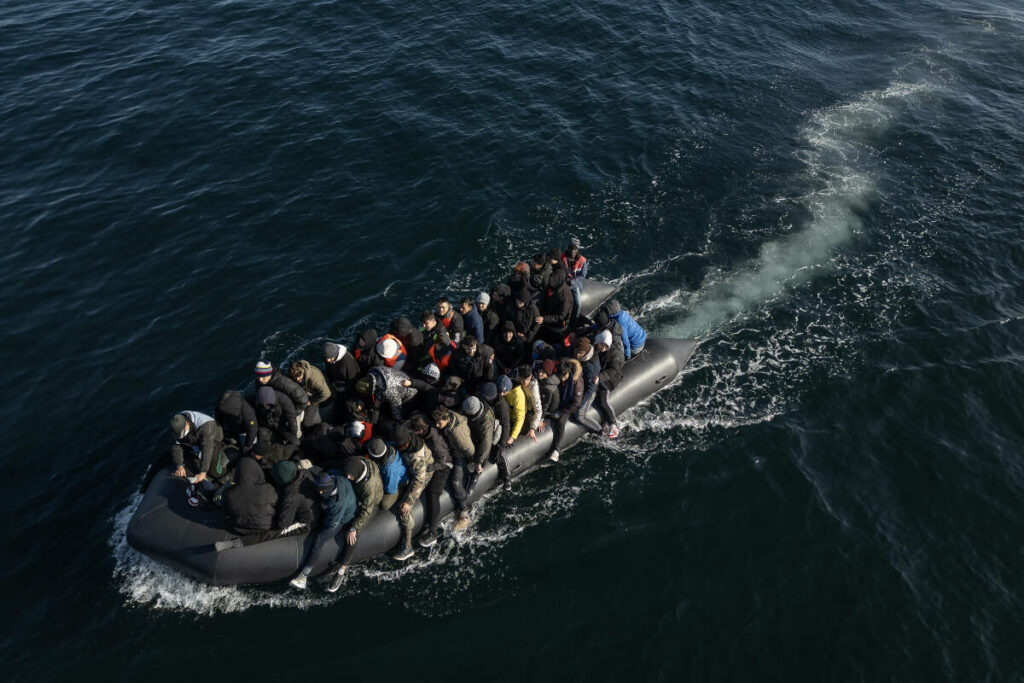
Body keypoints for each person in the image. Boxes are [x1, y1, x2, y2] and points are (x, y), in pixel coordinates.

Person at [288, 465, 360, 592]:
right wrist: (310, 467)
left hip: (344, 518)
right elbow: (324, 473)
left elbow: (330, 524)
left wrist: (320, 517)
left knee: (319, 538)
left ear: (323, 491)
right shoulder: (336, 478)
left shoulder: (336, 503)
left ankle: (304, 575)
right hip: (347, 502)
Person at [219, 457, 284, 547]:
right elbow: (278, 505)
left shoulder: (228, 492)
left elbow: (224, 510)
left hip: (238, 528)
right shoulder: (267, 489)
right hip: (264, 527)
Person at [390, 425, 433, 560]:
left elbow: (419, 481)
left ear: (406, 443)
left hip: (422, 475)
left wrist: (409, 502)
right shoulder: (405, 435)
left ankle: (407, 546)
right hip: (410, 470)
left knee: (403, 508)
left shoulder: (417, 457)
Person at [407, 413, 450, 547]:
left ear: (421, 430)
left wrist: (426, 468)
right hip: (431, 460)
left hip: (444, 465)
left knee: (433, 493)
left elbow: (443, 462)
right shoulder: (425, 433)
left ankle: (432, 533)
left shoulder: (435, 440)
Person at [432, 406, 475, 531]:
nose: (437, 425)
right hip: (452, 449)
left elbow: (470, 450)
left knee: (456, 482)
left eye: (439, 423)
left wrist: (470, 466)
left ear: (447, 419)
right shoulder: (449, 417)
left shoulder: (457, 432)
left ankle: (464, 513)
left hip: (460, 455)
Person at [169, 410, 228, 485]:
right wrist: (179, 466)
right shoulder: (177, 423)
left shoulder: (206, 427)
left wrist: (203, 473)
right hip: (195, 441)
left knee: (214, 472)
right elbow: (176, 445)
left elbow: (207, 451)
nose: (180, 437)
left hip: (213, 440)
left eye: (182, 434)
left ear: (187, 424)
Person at [546, 359, 585, 461]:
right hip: (559, 400)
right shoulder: (559, 375)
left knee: (560, 423)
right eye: (561, 376)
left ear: (569, 372)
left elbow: (575, 403)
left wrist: (561, 412)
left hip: (568, 405)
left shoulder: (577, 384)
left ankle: (556, 449)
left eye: (564, 376)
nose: (562, 379)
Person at [256, 361, 310, 432]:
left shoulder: (283, 383)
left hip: (291, 412)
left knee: (295, 432)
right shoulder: (261, 382)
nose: (260, 379)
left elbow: (303, 399)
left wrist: (292, 414)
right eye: (258, 376)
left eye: (263, 376)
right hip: (277, 411)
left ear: (269, 373)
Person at [270, 460, 319, 532]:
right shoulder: (306, 472)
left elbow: (283, 523)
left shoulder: (290, 497)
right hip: (315, 507)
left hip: (309, 521)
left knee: (279, 531)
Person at [594, 329, 624, 438]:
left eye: (605, 346)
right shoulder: (597, 349)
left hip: (610, 379)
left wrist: (600, 377)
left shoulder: (615, 354)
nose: (603, 348)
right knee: (597, 400)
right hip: (600, 375)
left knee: (602, 401)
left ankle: (613, 424)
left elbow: (612, 371)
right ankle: (605, 423)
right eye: (602, 345)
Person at [572, 337, 605, 435]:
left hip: (589, 390)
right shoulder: (578, 353)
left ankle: (599, 429)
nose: (577, 354)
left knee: (580, 415)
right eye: (577, 351)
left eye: (580, 353)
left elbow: (590, 389)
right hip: (579, 384)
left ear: (586, 352)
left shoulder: (591, 368)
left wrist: (579, 404)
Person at [366, 437, 407, 512]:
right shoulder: (389, 445)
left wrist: (380, 489)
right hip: (393, 474)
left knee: (385, 504)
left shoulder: (390, 470)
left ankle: (401, 493)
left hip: (400, 481)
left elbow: (391, 490)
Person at [462, 396, 494, 490]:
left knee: (484, 451)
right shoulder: (472, 404)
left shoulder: (486, 421)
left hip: (488, 436)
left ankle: (476, 475)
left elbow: (486, 442)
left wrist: (479, 462)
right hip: (475, 432)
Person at [323, 342, 360, 421]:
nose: (327, 360)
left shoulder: (348, 362)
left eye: (329, 358)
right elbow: (329, 371)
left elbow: (353, 381)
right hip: (337, 384)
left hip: (348, 387)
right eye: (326, 358)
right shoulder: (328, 358)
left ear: (335, 354)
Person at [538, 265, 573, 345]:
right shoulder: (552, 287)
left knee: (555, 341)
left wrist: (544, 318)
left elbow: (561, 316)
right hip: (548, 318)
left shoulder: (565, 296)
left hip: (558, 326)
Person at [289, 360, 330, 428]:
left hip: (314, 397)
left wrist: (311, 402)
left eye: (299, 376)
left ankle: (320, 426)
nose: (298, 379)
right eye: (295, 378)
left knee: (308, 423)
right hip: (304, 394)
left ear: (303, 371)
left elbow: (326, 393)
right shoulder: (293, 372)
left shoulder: (315, 379)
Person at [562, 238, 588, 323]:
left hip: (574, 285)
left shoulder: (582, 261)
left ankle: (574, 321)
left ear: (577, 250)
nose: (573, 251)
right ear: (568, 248)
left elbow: (582, 275)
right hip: (563, 282)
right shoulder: (562, 257)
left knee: (578, 305)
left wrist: (571, 282)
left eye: (575, 249)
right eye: (571, 248)